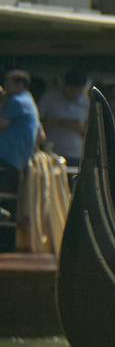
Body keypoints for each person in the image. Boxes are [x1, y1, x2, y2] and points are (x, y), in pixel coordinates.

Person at [0, 69, 42, 253]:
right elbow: (41, 135)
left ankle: (5, 245)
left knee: (6, 203)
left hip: (6, 158)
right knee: (9, 202)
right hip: (15, 161)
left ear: (20, 85)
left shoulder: (17, 102)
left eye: (8, 84)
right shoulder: (30, 102)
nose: (5, 88)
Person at [40, 68, 91, 166]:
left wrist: (77, 127)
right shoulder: (49, 99)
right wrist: (58, 122)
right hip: (52, 151)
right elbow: (38, 122)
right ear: (65, 86)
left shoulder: (87, 103)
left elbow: (91, 130)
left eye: (78, 91)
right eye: (72, 90)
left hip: (75, 153)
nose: (75, 93)